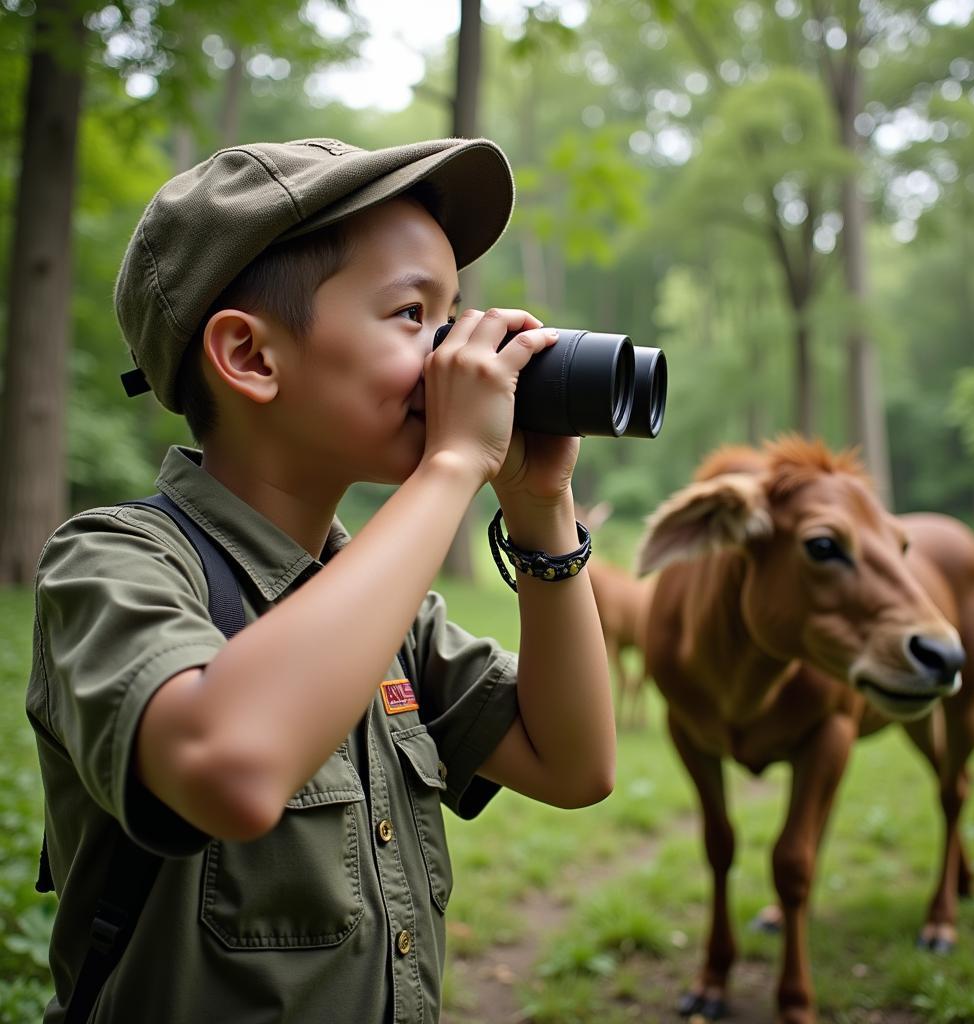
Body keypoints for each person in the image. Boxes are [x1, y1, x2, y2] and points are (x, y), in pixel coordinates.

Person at [26, 137, 616, 1024]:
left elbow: (574, 764)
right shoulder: (116, 563)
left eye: (454, 313)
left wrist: (541, 510)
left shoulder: (381, 608)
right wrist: (452, 466)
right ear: (252, 358)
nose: (455, 355)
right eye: (414, 316)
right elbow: (229, 764)